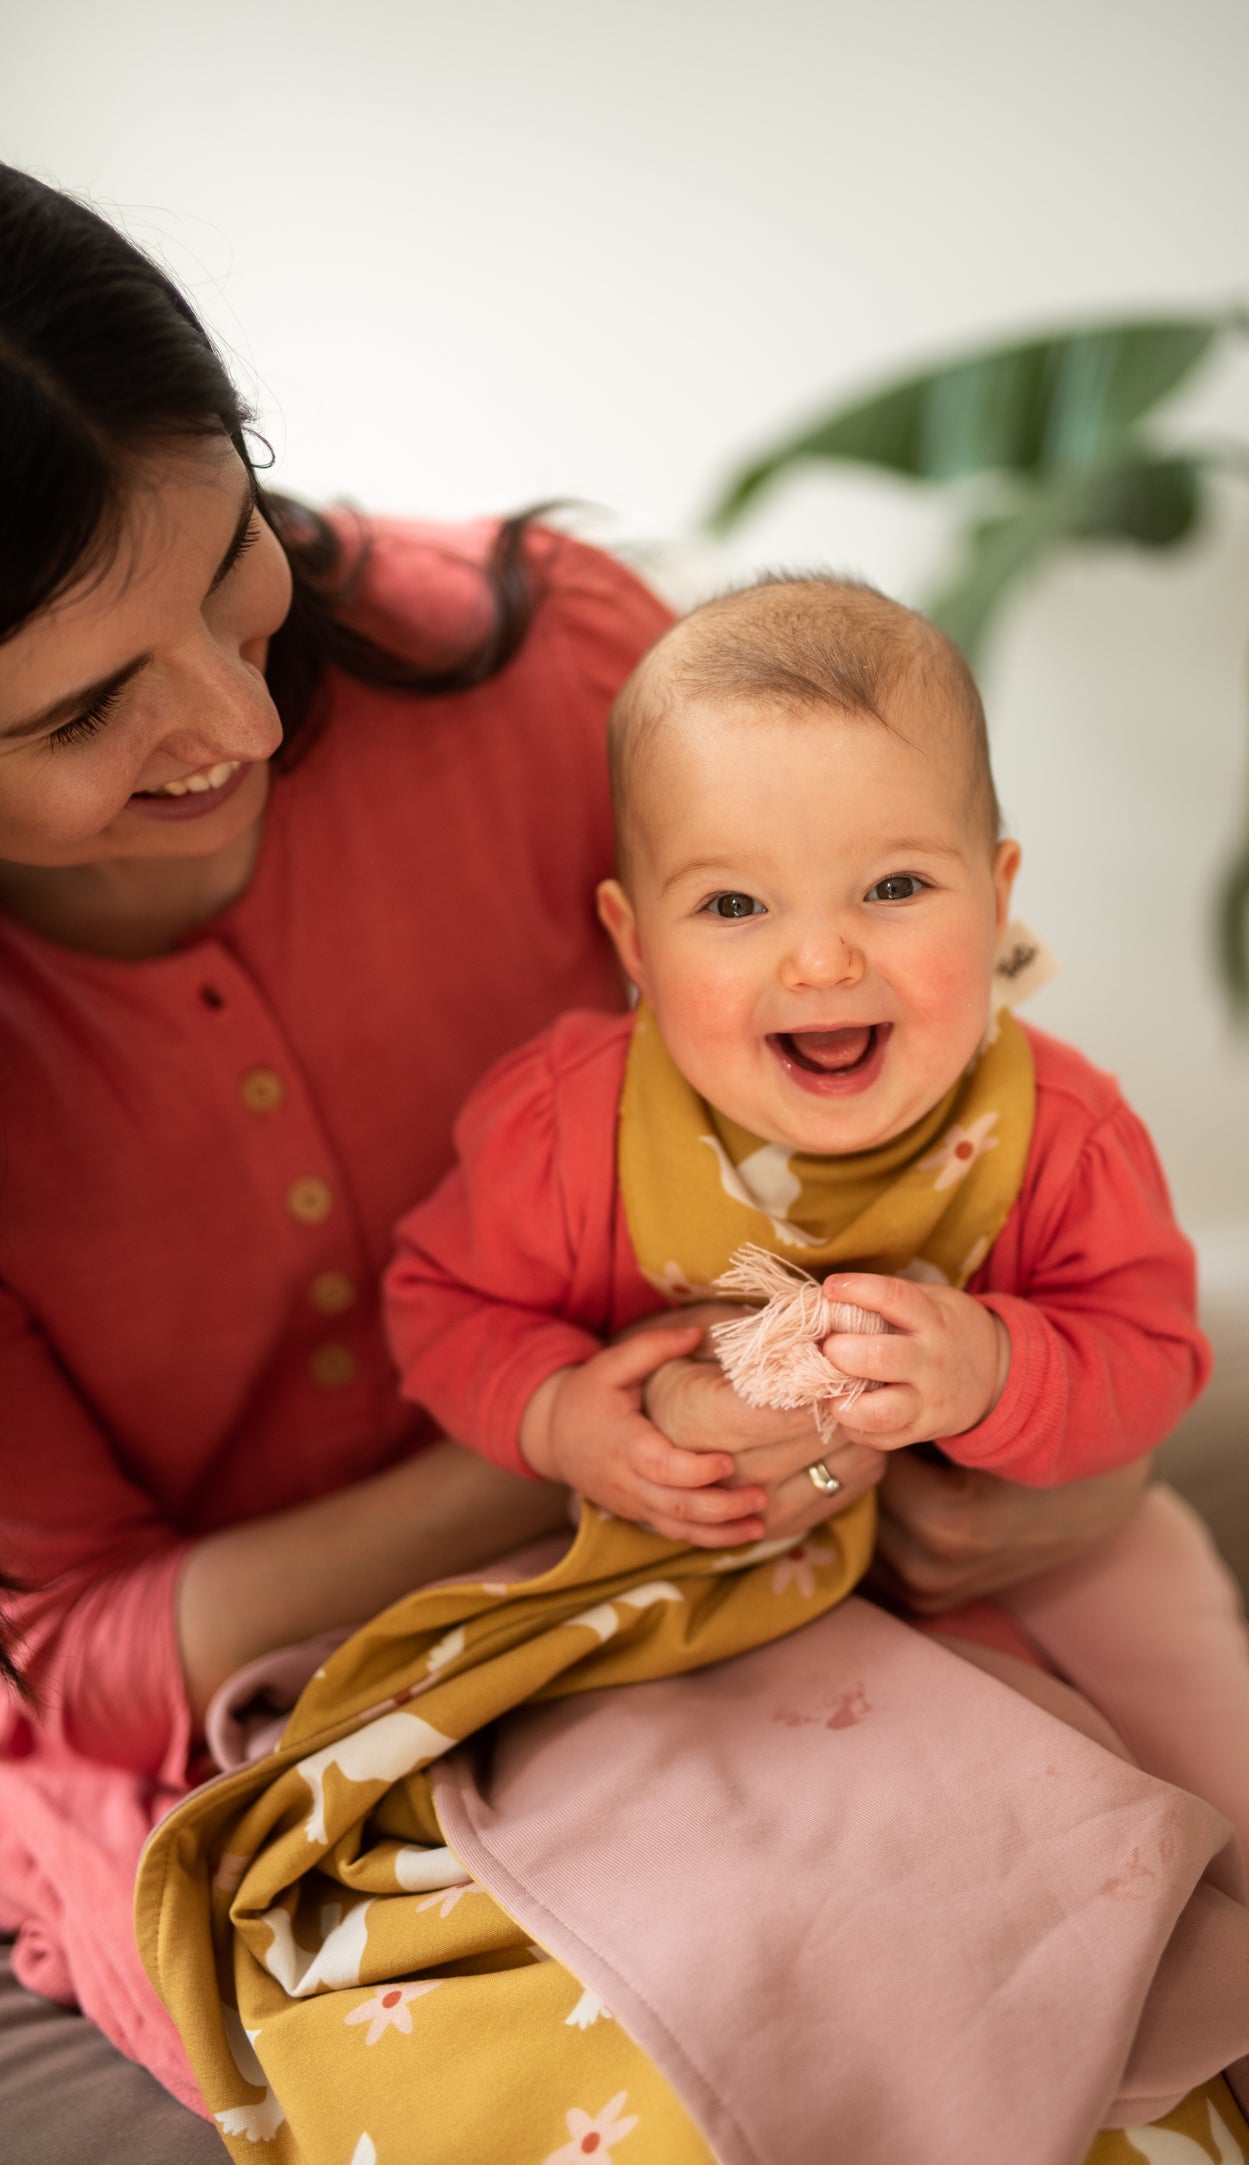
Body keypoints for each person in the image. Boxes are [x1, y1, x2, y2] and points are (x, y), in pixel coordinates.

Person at [0, 165, 1156, 2155]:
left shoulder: (564, 683)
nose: (234, 722)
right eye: (88, 708)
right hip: (282, 1725)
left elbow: (964, 1128)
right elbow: (88, 1662)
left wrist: (1056, 1416)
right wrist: (555, 1437)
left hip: (772, 1585)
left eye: (230, 566)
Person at [386, 573, 1249, 2073]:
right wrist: (562, 1414)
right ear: (631, 937)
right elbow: (442, 1308)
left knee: (1150, 1566)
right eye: (735, 904)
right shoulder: (569, 1130)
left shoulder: (1055, 1129)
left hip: (989, 1516)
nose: (820, 960)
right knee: (647, 1756)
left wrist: (997, 1363)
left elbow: (1149, 1357)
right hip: (703, 1550)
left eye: (891, 888)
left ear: (997, 893)